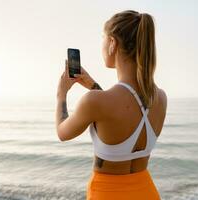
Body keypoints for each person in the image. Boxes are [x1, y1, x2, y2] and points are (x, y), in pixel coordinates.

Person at [56, 10, 167, 200]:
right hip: (147, 191)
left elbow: (62, 132)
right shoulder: (160, 98)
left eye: (103, 38)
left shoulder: (95, 101)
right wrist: (92, 84)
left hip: (107, 193)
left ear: (113, 43)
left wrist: (61, 94)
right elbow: (127, 105)